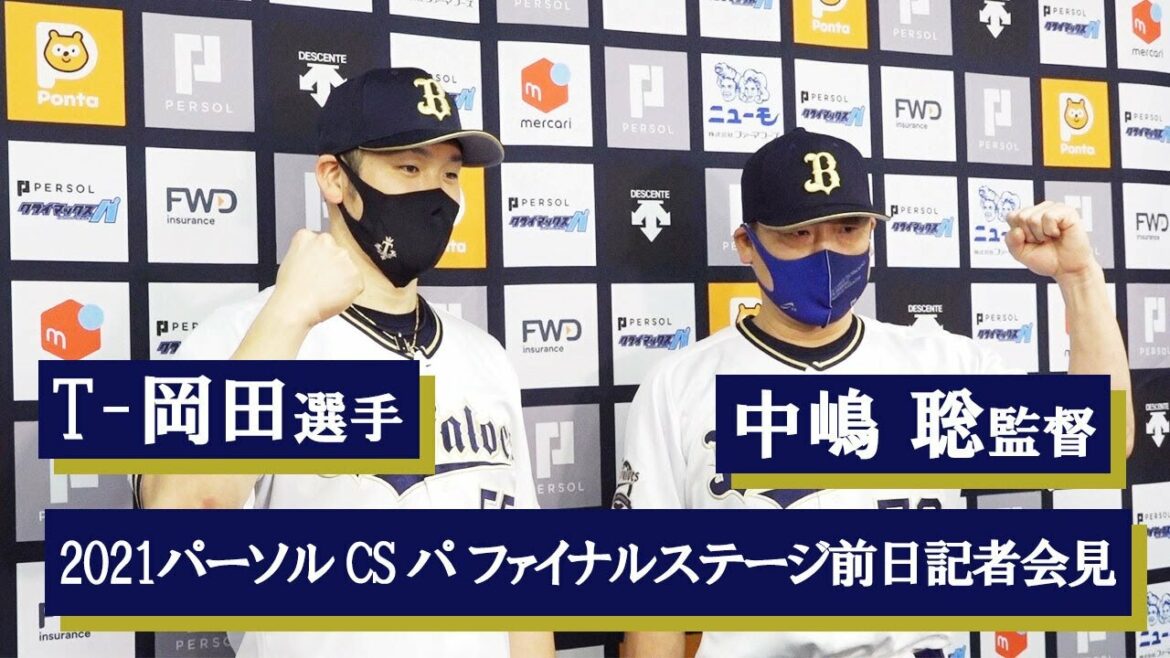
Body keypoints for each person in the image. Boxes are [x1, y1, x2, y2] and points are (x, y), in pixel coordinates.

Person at [615, 128, 1134, 658]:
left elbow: (1105, 440)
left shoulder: (940, 366)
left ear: (871, 231)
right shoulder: (680, 385)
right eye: (798, 233)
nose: (826, 253)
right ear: (747, 243)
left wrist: (1079, 278)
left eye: (847, 228)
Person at [133, 67, 554, 658]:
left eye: (450, 174)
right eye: (409, 168)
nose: (437, 195)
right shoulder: (241, 337)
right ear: (335, 178)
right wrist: (288, 316)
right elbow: (176, 522)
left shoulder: (485, 357)